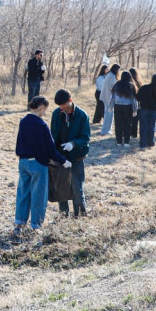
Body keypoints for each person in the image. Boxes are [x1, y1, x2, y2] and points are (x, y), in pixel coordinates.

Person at [12, 96, 70, 242]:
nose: (45, 113)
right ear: (41, 107)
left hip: (23, 162)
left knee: (23, 193)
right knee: (39, 195)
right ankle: (36, 226)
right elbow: (50, 149)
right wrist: (63, 160)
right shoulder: (41, 125)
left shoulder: (23, 121)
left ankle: (19, 224)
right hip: (37, 164)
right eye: (45, 109)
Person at [50, 89, 90, 218]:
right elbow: (53, 134)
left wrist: (73, 144)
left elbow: (85, 138)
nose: (61, 108)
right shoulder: (56, 114)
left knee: (77, 188)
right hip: (60, 157)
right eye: (59, 106)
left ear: (70, 101)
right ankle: (64, 216)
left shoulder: (82, 115)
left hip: (76, 157)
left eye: (63, 105)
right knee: (61, 188)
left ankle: (80, 215)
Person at [111, 70, 137, 147]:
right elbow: (133, 99)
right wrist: (135, 110)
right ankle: (126, 142)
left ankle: (119, 142)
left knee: (118, 123)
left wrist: (110, 106)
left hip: (117, 106)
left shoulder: (117, 84)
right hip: (127, 107)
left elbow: (113, 97)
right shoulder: (131, 85)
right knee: (127, 124)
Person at [98, 64, 121, 136]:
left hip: (105, 96)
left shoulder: (108, 74)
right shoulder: (113, 76)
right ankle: (106, 130)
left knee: (107, 113)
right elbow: (113, 87)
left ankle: (106, 129)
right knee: (109, 114)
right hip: (109, 97)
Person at [128, 68, 143, 139]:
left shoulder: (129, 83)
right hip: (138, 102)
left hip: (129, 102)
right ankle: (134, 134)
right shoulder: (139, 82)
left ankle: (129, 132)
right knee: (135, 119)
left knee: (129, 119)